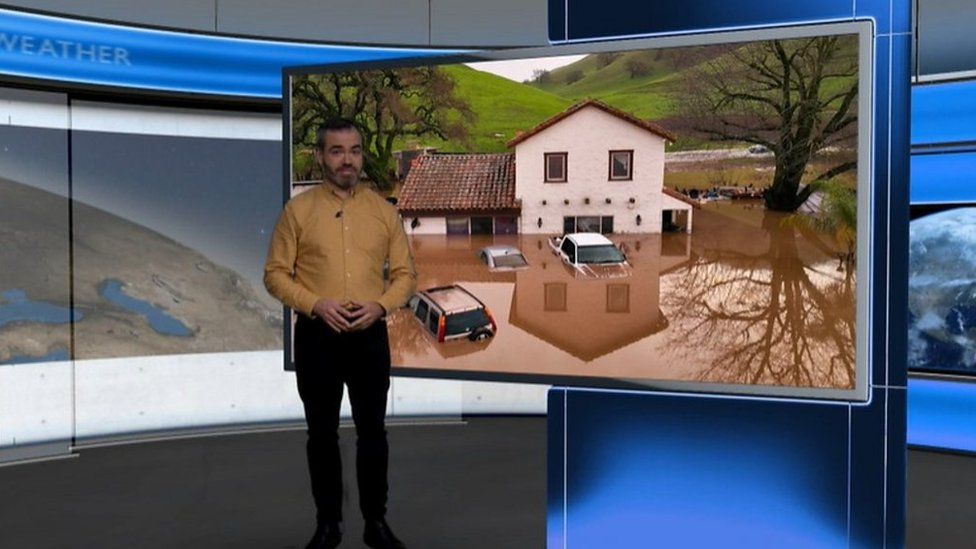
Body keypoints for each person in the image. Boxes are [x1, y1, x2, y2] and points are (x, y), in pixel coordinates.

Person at [264, 118, 416, 549]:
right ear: (320, 156)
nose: (346, 159)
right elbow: (274, 274)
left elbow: (405, 277)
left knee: (374, 434)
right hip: (318, 339)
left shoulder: (384, 213)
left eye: (353, 150)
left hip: (370, 338)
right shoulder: (298, 212)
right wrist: (316, 304)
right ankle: (327, 524)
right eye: (336, 150)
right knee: (322, 436)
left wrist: (381, 305)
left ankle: (376, 524)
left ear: (361, 154)